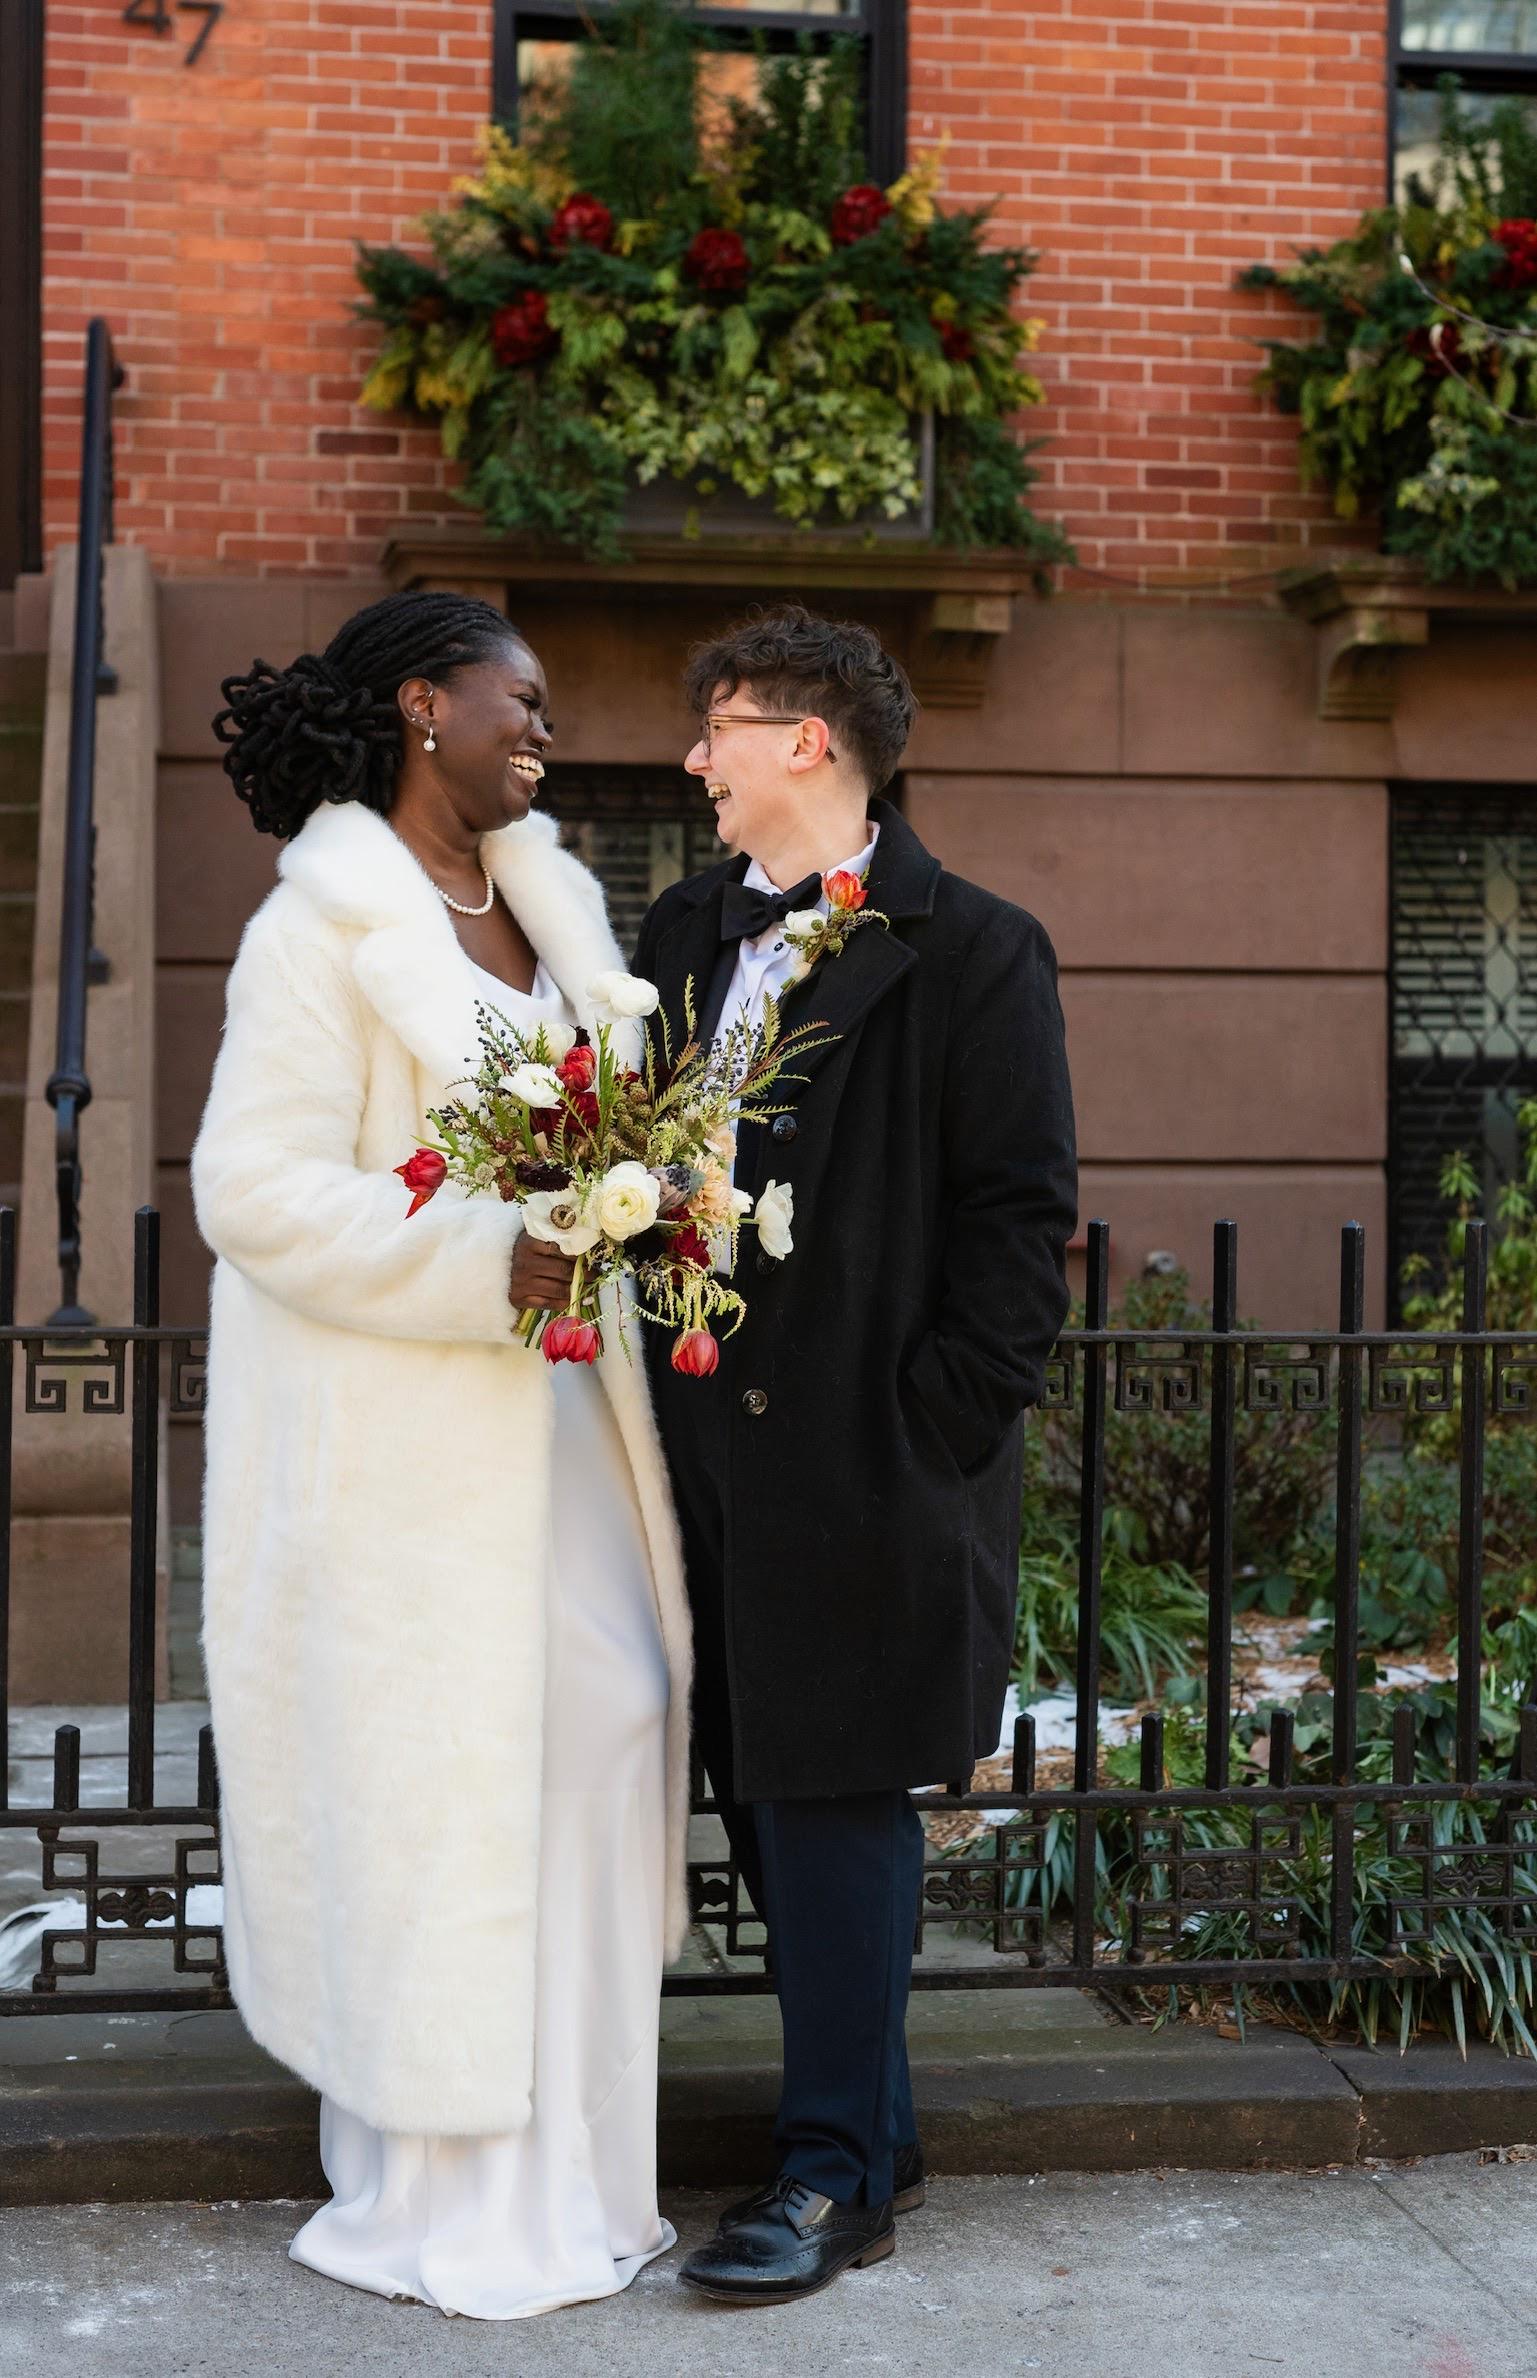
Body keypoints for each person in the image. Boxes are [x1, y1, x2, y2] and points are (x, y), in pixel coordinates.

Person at [191, 590, 692, 2322]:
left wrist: (651, 1200)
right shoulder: (319, 929)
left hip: (559, 1415)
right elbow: (251, 1188)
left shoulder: (550, 909)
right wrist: (485, 1260)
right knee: (464, 1785)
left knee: (611, 1717)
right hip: (403, 1451)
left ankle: (580, 2174)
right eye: (518, 699)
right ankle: (454, 2199)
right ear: (423, 703)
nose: (542, 730)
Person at [633, 602, 1077, 2306]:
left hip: (868, 1464)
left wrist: (928, 1428)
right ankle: (874, 2134)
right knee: (762, 1791)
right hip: (699, 1457)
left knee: (832, 1805)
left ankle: (829, 2178)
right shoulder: (684, 928)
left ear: (804, 742)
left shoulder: (977, 949)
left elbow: (1018, 1223)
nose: (696, 760)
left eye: (719, 729)